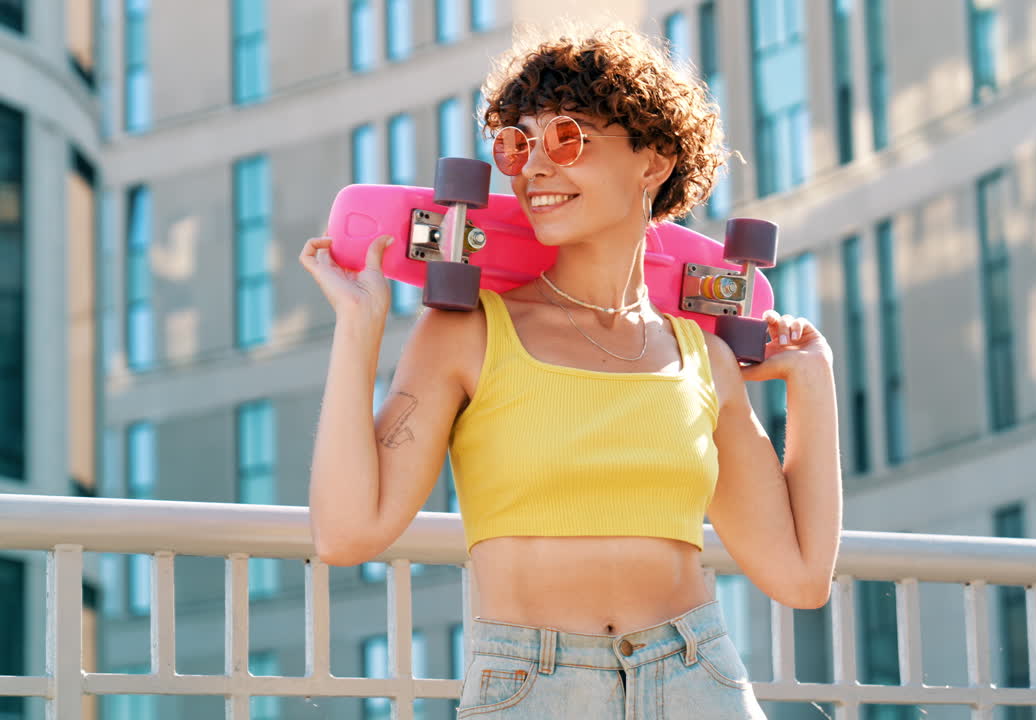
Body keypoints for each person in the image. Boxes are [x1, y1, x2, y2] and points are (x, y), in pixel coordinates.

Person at [299, 23, 841, 719]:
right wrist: (359, 327)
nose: (532, 169)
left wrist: (813, 377)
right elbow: (348, 534)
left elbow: (799, 576)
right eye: (515, 145)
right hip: (532, 687)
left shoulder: (699, 356)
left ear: (654, 161)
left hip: (699, 679)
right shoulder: (467, 332)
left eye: (566, 138)